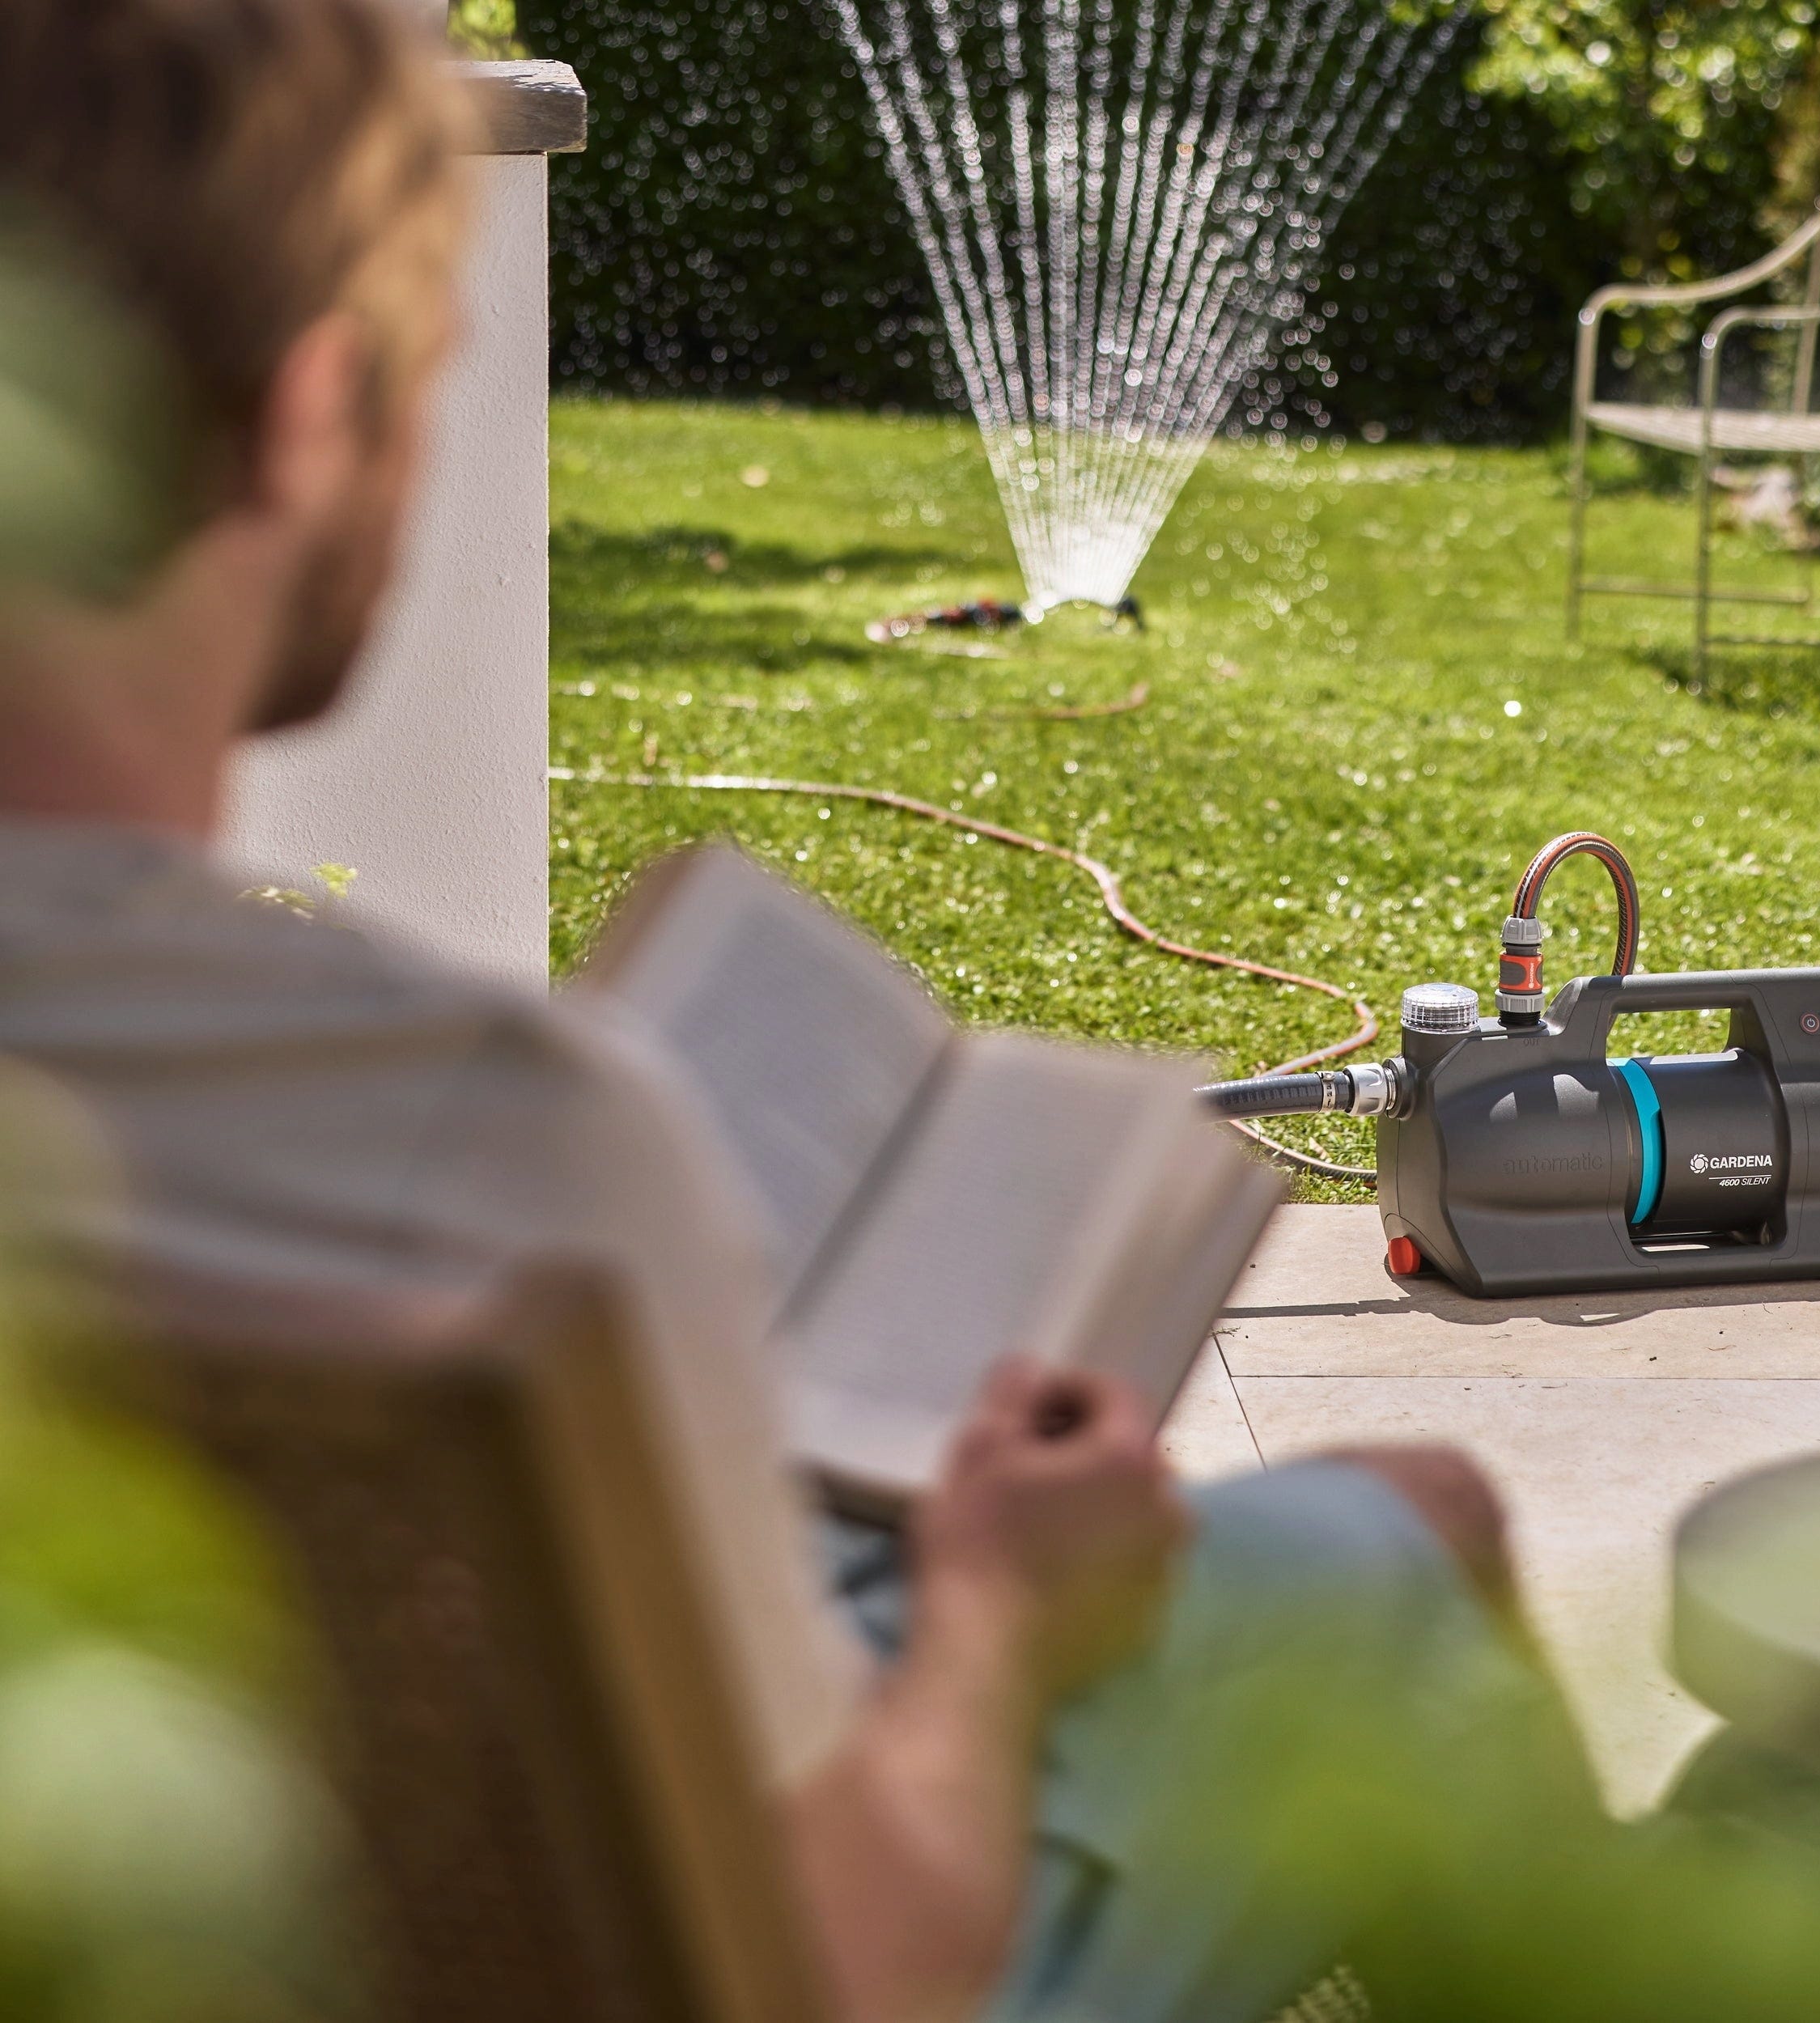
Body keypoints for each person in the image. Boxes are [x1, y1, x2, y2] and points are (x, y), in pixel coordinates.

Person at [0, 6, 1630, 2021]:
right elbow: (837, 1968)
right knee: (1398, 1545)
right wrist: (994, 1615)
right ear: (311, 409)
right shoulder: (496, 1136)